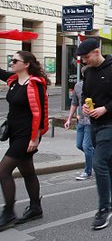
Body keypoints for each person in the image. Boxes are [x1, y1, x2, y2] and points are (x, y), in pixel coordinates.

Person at [77, 38, 112, 230]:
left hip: (111, 123)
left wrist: (105, 109)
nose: (84, 61)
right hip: (94, 123)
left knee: (98, 162)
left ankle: (104, 208)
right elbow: (85, 93)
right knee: (109, 164)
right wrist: (85, 105)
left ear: (96, 51)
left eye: (86, 57)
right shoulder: (89, 72)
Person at [0, 51, 50, 231]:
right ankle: (36, 208)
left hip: (27, 136)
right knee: (28, 171)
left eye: (15, 60)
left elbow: (42, 113)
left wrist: (35, 138)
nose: (11, 63)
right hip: (15, 134)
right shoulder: (14, 80)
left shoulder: (35, 84)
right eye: (11, 60)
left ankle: (8, 213)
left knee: (2, 171)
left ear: (26, 64)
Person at [64, 65, 94, 181]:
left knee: (87, 146)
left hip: (91, 121)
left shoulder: (96, 86)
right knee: (79, 145)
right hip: (81, 120)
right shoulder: (78, 86)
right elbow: (74, 103)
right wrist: (69, 119)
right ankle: (98, 156)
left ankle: (88, 171)